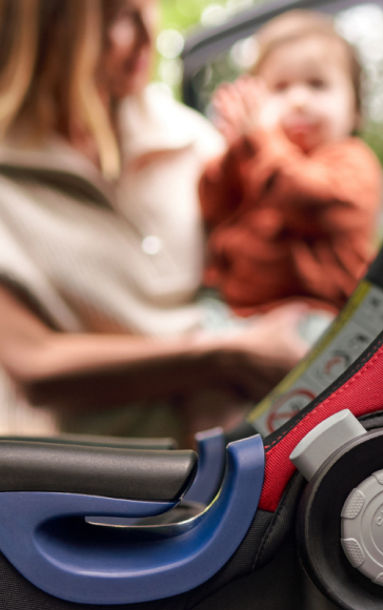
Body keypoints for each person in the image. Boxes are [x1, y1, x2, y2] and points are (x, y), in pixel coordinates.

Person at [0, 0, 310, 446]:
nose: (150, 35)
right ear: (51, 30)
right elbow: (34, 365)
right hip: (103, 496)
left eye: (150, 8)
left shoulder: (190, 137)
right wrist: (224, 356)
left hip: (248, 474)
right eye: (122, 19)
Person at [198, 10, 383, 319]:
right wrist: (238, 149)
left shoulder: (354, 160)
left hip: (324, 321)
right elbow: (212, 204)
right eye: (280, 88)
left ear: (356, 110)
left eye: (317, 84)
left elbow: (309, 201)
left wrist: (261, 138)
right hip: (238, 319)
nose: (298, 99)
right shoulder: (255, 156)